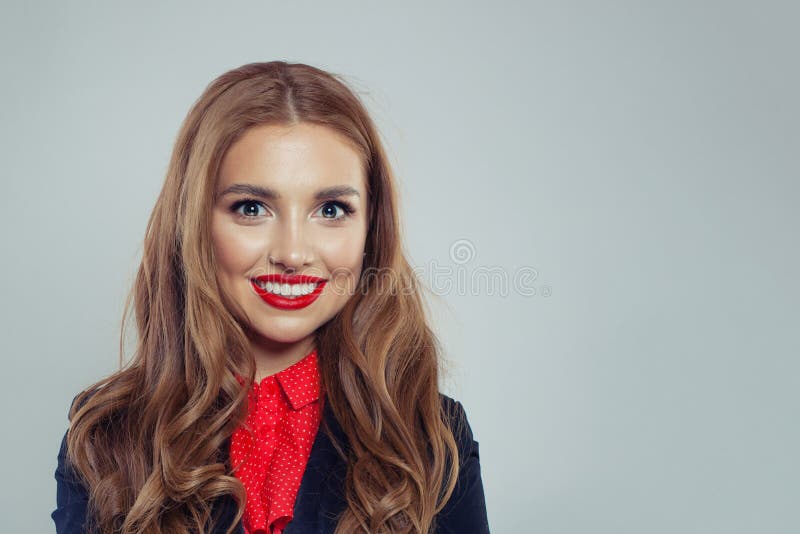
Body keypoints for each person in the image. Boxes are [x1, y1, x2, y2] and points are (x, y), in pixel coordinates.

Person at [52, 61, 490, 534]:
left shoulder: (432, 437)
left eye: (331, 209)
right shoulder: (108, 438)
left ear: (371, 230)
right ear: (196, 223)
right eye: (252, 208)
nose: (293, 253)